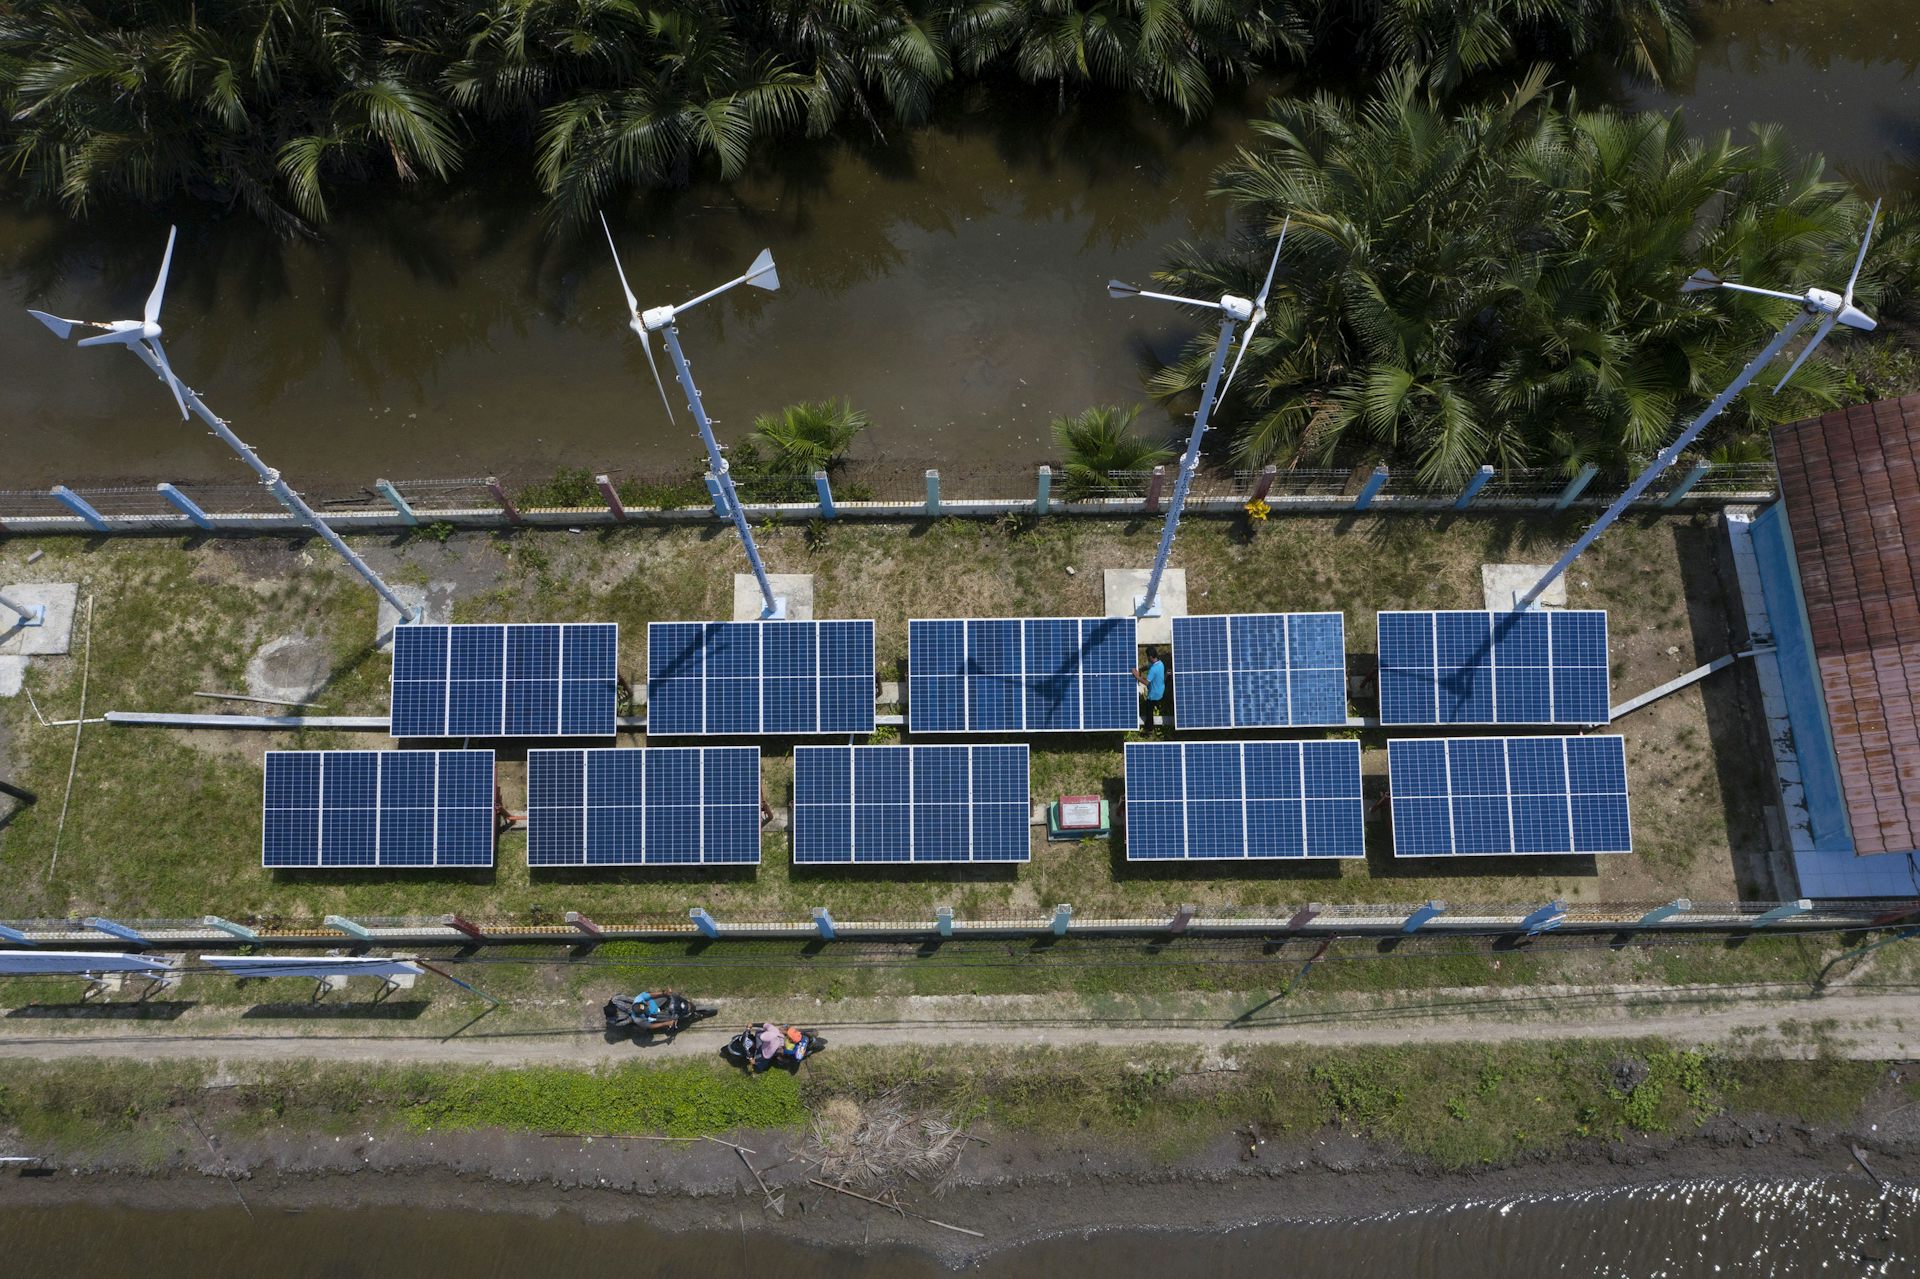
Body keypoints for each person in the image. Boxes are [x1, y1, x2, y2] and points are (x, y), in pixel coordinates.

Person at [1134, 646, 1167, 729]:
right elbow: (1148, 666)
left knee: (1149, 712)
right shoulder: (1160, 663)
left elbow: (1146, 682)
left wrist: (1137, 676)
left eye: (1147, 656)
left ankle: (1149, 728)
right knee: (1156, 706)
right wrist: (1141, 669)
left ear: (1151, 657)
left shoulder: (1153, 669)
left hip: (1153, 695)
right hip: (1160, 691)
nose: (1147, 658)